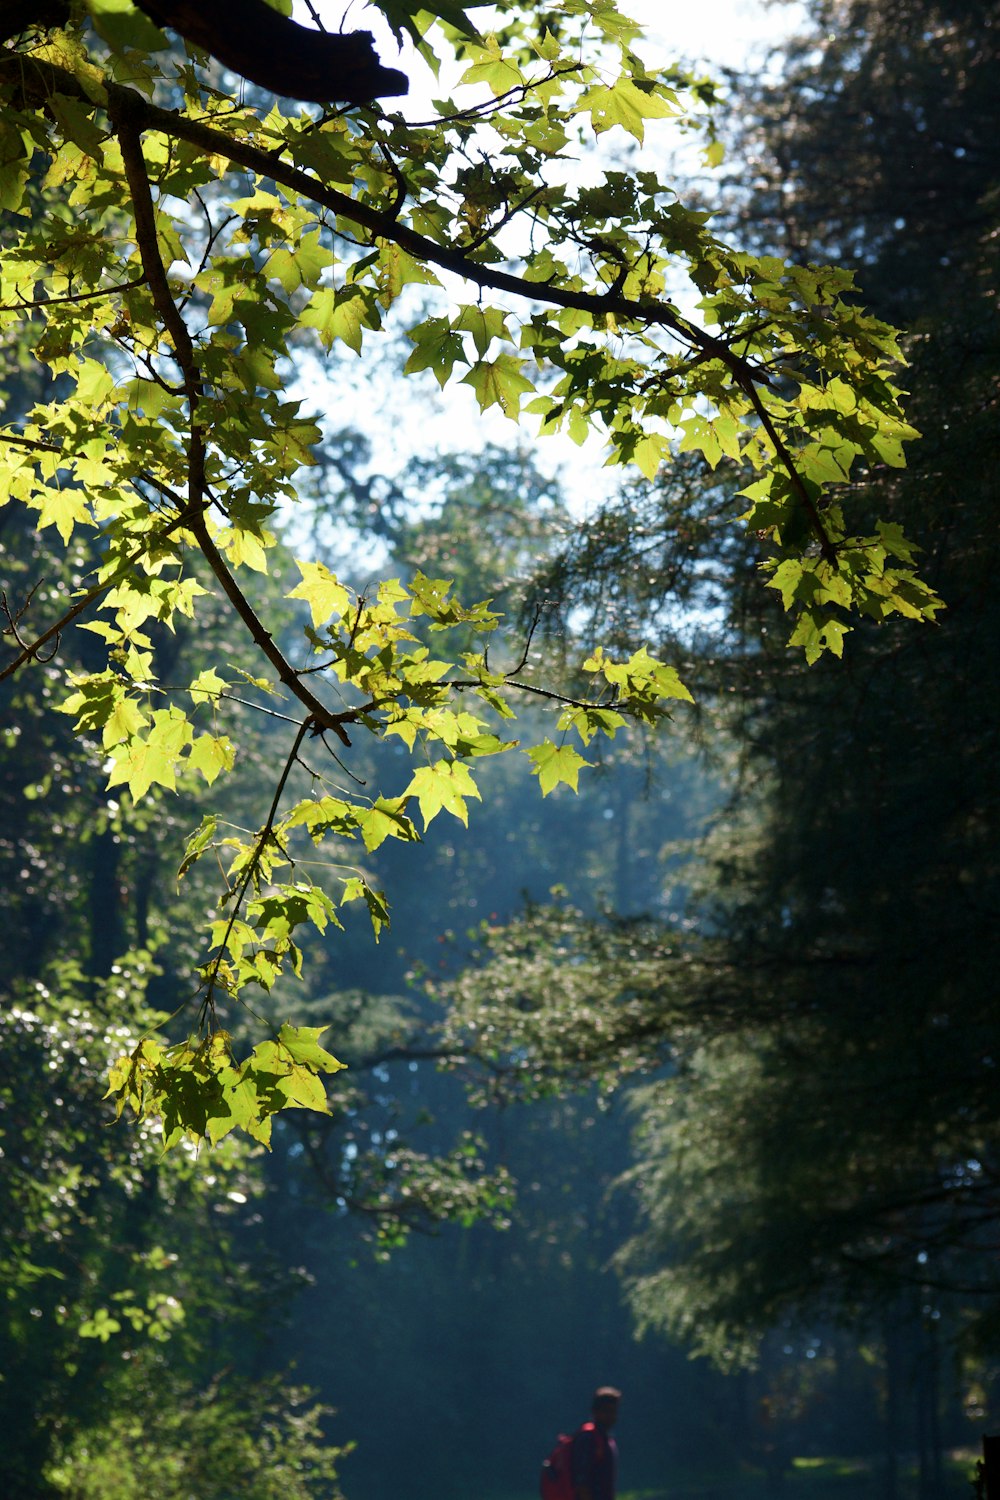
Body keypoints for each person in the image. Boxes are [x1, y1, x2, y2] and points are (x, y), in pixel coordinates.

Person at [570, 1386, 620, 1500]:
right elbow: (582, 1482)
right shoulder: (588, 1439)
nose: (611, 1416)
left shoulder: (606, 1440)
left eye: (614, 1411)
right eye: (606, 1411)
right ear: (595, 1411)